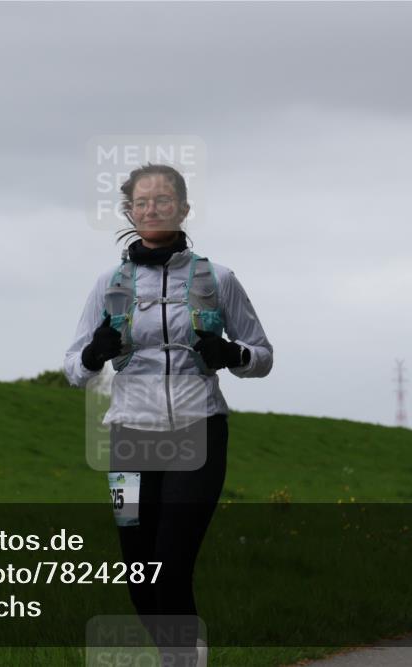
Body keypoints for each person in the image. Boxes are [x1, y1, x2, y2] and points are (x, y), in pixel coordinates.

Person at [64, 163, 273, 667]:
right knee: (140, 573)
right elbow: (73, 369)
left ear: (182, 208)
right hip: (129, 437)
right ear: (129, 212)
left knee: (171, 566)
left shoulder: (218, 279)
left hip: (197, 431)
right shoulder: (109, 284)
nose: (152, 209)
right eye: (142, 202)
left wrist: (232, 354)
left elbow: (262, 356)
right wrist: (95, 354)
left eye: (163, 200)